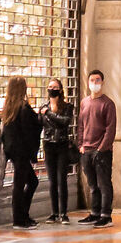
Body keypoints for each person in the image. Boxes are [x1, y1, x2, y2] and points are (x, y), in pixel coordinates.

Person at [0, 77, 44, 228]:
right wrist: (40, 118)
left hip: (13, 151)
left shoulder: (8, 109)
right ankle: (19, 219)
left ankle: (23, 215)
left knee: (30, 182)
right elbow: (30, 130)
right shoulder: (23, 108)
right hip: (22, 153)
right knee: (21, 184)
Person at [77, 70, 117, 225]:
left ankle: (106, 215)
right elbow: (81, 125)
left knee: (104, 184)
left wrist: (101, 149)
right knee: (93, 185)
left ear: (103, 82)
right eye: (92, 80)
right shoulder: (84, 102)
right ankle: (95, 212)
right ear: (88, 83)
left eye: (97, 80)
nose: (95, 83)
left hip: (102, 152)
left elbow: (110, 129)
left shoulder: (108, 104)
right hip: (86, 150)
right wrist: (80, 145)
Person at [38, 82, 77, 221]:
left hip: (62, 145)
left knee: (62, 180)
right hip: (48, 146)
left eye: (55, 87)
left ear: (60, 90)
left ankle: (64, 213)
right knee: (52, 181)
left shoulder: (67, 107)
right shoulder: (43, 107)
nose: (52, 89)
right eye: (50, 87)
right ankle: (54, 213)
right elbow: (39, 126)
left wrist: (48, 113)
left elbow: (65, 122)